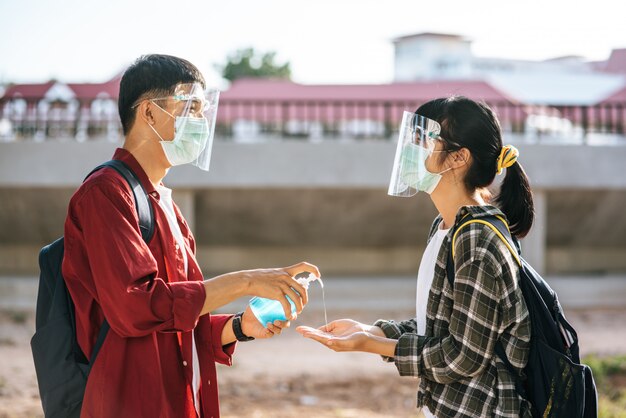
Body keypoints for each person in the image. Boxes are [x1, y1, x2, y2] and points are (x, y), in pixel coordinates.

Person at [63, 54, 320, 418]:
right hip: (129, 404)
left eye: (202, 110)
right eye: (191, 107)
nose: (200, 122)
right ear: (149, 113)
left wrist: (238, 327)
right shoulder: (106, 193)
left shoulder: (166, 203)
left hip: (179, 402)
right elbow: (134, 308)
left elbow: (175, 320)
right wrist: (246, 280)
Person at [298, 96, 532, 417]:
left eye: (424, 138)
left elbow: (463, 356)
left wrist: (369, 344)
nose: (411, 146)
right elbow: (438, 324)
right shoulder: (445, 225)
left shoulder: (477, 238)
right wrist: (372, 331)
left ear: (458, 157)